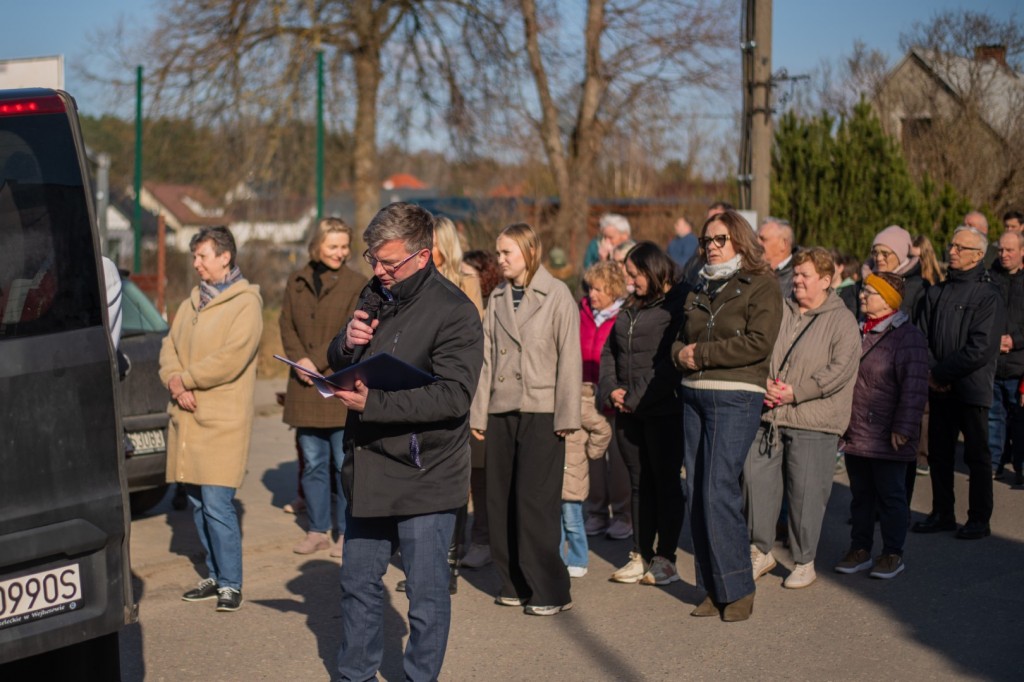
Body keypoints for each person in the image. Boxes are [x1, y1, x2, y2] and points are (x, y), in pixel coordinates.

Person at [325, 202, 483, 681]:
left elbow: (454, 396)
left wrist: (373, 404)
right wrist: (346, 343)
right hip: (369, 465)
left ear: (423, 255)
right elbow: (340, 358)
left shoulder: (455, 312)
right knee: (357, 584)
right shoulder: (374, 292)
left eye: (388, 262)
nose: (378, 270)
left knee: (426, 596)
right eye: (373, 259)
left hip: (426, 473)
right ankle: (354, 674)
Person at [672, 210, 783, 622]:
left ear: (740, 240)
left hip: (736, 395)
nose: (712, 247)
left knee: (718, 489)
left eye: (720, 239)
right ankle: (712, 587)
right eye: (707, 240)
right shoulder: (699, 284)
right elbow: (678, 341)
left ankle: (738, 588)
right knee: (695, 490)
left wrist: (700, 355)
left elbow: (758, 343)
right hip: (693, 395)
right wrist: (680, 356)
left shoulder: (762, 285)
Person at [470, 222, 581, 617]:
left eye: (507, 253)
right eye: (498, 252)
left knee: (535, 502)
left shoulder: (557, 294)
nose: (500, 260)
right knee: (499, 500)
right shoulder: (498, 297)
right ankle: (513, 583)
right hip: (501, 410)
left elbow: (570, 356)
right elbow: (485, 359)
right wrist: (479, 412)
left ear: (529, 252)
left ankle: (551, 589)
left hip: (543, 410)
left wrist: (567, 413)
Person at [159, 226, 263, 613]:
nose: (196, 264)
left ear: (225, 257)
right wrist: (174, 380)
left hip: (222, 421)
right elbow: (168, 347)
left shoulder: (246, 303)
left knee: (218, 504)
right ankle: (215, 575)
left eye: (202, 256)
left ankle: (231, 583)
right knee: (199, 504)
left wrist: (185, 380)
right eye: (194, 256)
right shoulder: (191, 303)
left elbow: (231, 358)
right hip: (188, 418)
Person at [744, 247, 860, 590]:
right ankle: (760, 550)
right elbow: (758, 348)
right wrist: (764, 383)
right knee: (755, 482)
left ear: (825, 280)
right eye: (795, 273)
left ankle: (804, 560)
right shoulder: (780, 310)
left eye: (804, 274)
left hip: (813, 420)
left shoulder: (842, 320)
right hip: (770, 415)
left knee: (806, 493)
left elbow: (839, 370)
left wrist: (796, 392)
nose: (796, 279)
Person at [600, 242, 688, 586]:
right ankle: (641, 553)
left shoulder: (678, 302)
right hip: (628, 410)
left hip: (663, 410)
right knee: (639, 484)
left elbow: (670, 361)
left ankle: (666, 558)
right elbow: (610, 351)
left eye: (634, 275)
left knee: (665, 483)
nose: (630, 281)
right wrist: (612, 389)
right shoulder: (630, 304)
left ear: (653, 271)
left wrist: (635, 397)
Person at [279, 217, 364, 557]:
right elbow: (286, 324)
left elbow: (350, 330)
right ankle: (317, 530)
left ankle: (346, 533)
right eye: (333, 246)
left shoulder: (357, 284)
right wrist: (299, 360)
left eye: (344, 246)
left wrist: (315, 362)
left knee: (344, 465)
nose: (340, 253)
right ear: (317, 245)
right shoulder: (296, 280)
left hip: (337, 383)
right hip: (303, 387)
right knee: (312, 463)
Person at [836, 272, 929, 579]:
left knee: (891, 497)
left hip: (889, 434)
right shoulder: (857, 330)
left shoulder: (908, 337)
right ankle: (859, 549)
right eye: (863, 290)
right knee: (861, 496)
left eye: (870, 292)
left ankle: (892, 553)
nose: (862, 296)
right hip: (856, 430)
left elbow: (914, 388)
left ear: (888, 300)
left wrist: (903, 427)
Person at [914, 226, 1004, 540]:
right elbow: (921, 337)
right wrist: (931, 373)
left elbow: (981, 347)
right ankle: (942, 512)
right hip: (939, 388)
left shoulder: (988, 295)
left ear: (977, 255)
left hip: (970, 388)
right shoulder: (936, 292)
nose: (952, 251)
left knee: (976, 455)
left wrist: (941, 374)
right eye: (951, 245)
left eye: (960, 247)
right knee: (939, 453)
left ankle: (979, 518)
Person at [578, 261, 631, 540]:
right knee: (592, 459)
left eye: (599, 289)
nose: (592, 294)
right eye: (590, 288)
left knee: (618, 461)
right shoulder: (582, 311)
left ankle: (623, 514)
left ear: (613, 290)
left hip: (614, 397)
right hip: (585, 395)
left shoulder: (624, 315)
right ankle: (596, 512)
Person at [460, 249, 503, 569]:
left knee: (482, 476)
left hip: (485, 401)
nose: (462, 281)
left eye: (468, 275)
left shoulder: (494, 307)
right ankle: (461, 539)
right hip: (462, 398)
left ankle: (483, 539)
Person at [989, 231, 1024, 485]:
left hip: (1019, 364)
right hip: (994, 363)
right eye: (1001, 249)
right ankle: (993, 464)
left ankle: (1020, 468)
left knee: (1020, 421)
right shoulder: (991, 278)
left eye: (1010, 250)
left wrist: (1015, 340)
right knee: (993, 419)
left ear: (1022, 251)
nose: (1004, 254)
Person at [869, 225, 927, 321]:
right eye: (875, 253)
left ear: (900, 254)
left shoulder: (918, 287)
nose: (879, 258)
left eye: (885, 254)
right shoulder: (866, 283)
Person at [757, 217, 795, 298]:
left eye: (763, 239)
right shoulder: (753, 272)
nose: (757, 243)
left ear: (783, 244)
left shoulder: (797, 279)